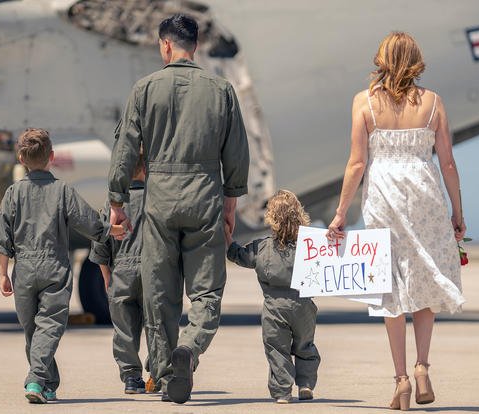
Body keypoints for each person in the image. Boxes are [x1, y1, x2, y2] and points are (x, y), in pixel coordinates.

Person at [107, 14, 249, 404]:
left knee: (159, 295)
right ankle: (190, 347)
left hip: (159, 200)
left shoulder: (145, 89)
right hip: (205, 196)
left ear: (165, 46)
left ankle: (168, 372)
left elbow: (124, 151)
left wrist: (117, 202)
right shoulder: (221, 90)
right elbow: (236, 153)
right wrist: (230, 203)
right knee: (206, 292)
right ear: (196, 46)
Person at [326, 32, 466, 411]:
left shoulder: (365, 102)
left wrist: (340, 213)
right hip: (425, 194)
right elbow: (448, 163)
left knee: (389, 287)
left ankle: (401, 379)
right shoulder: (434, 103)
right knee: (425, 279)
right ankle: (423, 366)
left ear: (381, 58)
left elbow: (357, 164)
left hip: (383, 196)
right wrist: (458, 211)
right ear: (416, 59)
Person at [0, 128, 127, 404]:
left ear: (20, 158)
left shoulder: (12, 193)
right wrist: (112, 230)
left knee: (34, 330)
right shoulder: (63, 191)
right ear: (52, 157)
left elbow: (3, 236)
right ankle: (39, 380)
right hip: (54, 268)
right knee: (48, 326)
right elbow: (88, 222)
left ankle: (43, 381)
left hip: (24, 271)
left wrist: (3, 273)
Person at [225, 190, 320, 404]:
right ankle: (305, 384)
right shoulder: (310, 247)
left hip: (274, 309)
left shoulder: (262, 247)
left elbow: (238, 255)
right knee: (306, 346)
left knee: (278, 351)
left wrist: (228, 236)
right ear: (299, 215)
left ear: (271, 218)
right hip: (304, 307)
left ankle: (282, 392)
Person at [89, 152, 152, 395]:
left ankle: (131, 378)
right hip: (152, 272)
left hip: (121, 274)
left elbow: (100, 244)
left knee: (124, 329)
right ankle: (157, 372)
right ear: (147, 170)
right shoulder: (156, 199)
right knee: (157, 324)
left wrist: (107, 276)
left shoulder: (112, 205)